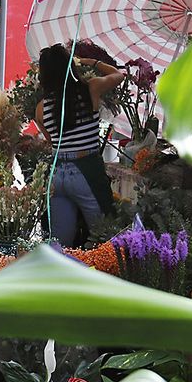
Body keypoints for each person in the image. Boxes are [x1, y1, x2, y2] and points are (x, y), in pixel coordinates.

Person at [35, 44, 125, 246]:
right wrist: (88, 61)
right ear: (70, 66)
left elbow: (53, 142)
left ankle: (58, 273)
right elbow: (119, 75)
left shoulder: (42, 108)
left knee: (59, 241)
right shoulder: (90, 88)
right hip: (86, 170)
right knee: (104, 236)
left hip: (57, 175)